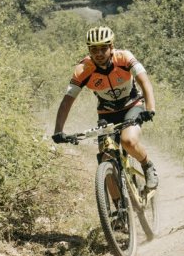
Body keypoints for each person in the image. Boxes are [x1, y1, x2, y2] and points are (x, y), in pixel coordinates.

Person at [51, 26, 159, 189]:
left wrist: (150, 109)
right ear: (89, 50)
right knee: (105, 158)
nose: (99, 53)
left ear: (111, 47)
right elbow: (67, 101)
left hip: (132, 105)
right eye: (94, 50)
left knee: (128, 141)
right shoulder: (83, 70)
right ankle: (116, 210)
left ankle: (147, 165)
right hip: (107, 114)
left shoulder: (124, 58)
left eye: (103, 48)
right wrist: (58, 130)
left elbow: (145, 82)